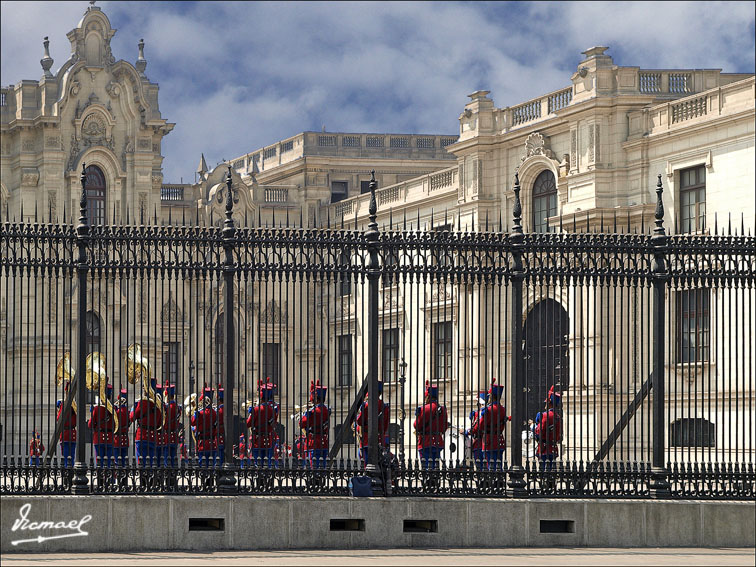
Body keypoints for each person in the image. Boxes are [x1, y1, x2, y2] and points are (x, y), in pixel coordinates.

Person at [471, 379, 509, 471]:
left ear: (492, 396)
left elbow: (480, 425)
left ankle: (492, 482)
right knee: (498, 464)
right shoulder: (502, 409)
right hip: (499, 439)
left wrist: (470, 431)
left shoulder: (488, 410)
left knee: (490, 465)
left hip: (489, 440)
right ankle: (499, 482)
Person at [413, 381, 449, 470]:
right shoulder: (443, 409)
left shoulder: (424, 409)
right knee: (435, 465)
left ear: (428, 395)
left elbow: (416, 425)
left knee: (426, 466)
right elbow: (444, 427)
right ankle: (435, 479)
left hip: (425, 441)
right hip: (437, 441)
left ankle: (428, 480)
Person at [354, 380, 390, 467]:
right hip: (379, 439)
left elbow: (359, 421)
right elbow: (385, 426)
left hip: (367, 439)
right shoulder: (384, 407)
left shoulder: (366, 405)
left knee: (366, 462)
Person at [129, 377, 162, 467]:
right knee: (151, 463)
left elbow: (132, 417)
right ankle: (150, 480)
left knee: (141, 463)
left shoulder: (143, 402)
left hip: (142, 436)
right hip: (152, 437)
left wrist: (133, 408)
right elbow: (159, 423)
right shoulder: (158, 404)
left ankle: (143, 480)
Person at [247, 378, 279, 468]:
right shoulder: (272, 409)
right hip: (268, 439)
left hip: (257, 440)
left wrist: (250, 413)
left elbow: (248, 424)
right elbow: (274, 423)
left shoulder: (256, 409)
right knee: (267, 461)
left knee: (257, 462)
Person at [299, 380, 329, 469]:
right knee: (323, 463)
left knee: (314, 464)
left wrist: (305, 414)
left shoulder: (312, 411)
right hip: (323, 440)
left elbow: (302, 424)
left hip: (314, 441)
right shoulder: (327, 410)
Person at [533, 386, 562, 471]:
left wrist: (533, 427)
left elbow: (539, 432)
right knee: (551, 470)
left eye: (546, 403)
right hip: (553, 447)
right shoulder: (557, 416)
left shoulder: (544, 415)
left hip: (544, 447)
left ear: (549, 403)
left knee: (544, 470)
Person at [88, 383, 115, 468]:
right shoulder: (113, 409)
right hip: (110, 438)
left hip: (99, 438)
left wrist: (92, 413)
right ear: (110, 396)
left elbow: (90, 425)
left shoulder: (97, 409)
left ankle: (100, 479)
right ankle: (110, 478)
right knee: (110, 462)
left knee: (100, 461)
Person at [191, 385, 217, 468]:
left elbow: (193, 422)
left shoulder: (200, 413)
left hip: (202, 442)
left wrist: (195, 413)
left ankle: (203, 479)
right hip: (212, 442)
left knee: (202, 464)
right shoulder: (214, 412)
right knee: (212, 463)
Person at [465, 391, 487, 470]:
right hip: (481, 442)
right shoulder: (478, 413)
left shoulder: (482, 413)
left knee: (480, 466)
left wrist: (467, 432)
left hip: (480, 443)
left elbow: (477, 427)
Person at [56, 385, 76, 468]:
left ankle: (66, 474)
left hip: (65, 434)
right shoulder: (75, 405)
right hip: (73, 434)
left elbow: (59, 419)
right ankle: (70, 473)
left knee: (65, 456)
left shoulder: (63, 405)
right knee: (71, 457)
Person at [162, 383, 182, 468]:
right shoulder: (178, 407)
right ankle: (173, 478)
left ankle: (168, 476)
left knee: (167, 459)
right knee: (174, 458)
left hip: (167, 436)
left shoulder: (167, 407)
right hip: (174, 435)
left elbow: (165, 421)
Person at [113, 386, 130, 467]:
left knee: (116, 461)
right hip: (125, 439)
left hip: (117, 439)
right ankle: (124, 478)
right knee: (124, 462)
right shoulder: (128, 412)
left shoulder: (117, 412)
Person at [215, 383, 225, 466]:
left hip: (219, 434)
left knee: (219, 455)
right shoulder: (226, 409)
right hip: (225, 435)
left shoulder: (218, 411)